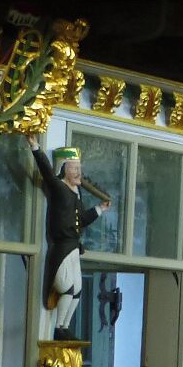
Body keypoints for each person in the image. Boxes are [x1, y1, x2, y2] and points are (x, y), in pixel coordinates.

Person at [33, 144, 109, 339]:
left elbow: (81, 219)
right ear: (64, 169)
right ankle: (58, 326)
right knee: (66, 286)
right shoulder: (59, 187)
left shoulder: (76, 192)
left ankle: (65, 325)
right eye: (73, 168)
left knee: (78, 289)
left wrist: (99, 209)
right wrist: (36, 148)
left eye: (79, 168)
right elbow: (47, 173)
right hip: (62, 246)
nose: (77, 172)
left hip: (74, 246)